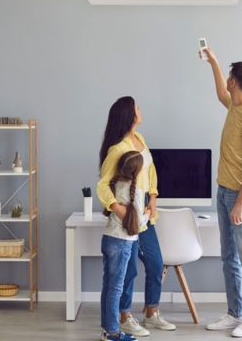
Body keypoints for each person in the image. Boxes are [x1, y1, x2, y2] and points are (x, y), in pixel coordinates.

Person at [97, 96, 176, 338]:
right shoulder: (117, 149)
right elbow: (102, 185)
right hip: (129, 217)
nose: (140, 110)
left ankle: (151, 313)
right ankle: (124, 318)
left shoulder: (139, 139)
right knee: (128, 270)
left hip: (146, 214)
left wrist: (153, 198)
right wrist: (118, 209)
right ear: (130, 116)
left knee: (155, 263)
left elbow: (151, 170)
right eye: (137, 108)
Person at [200, 47, 242, 338]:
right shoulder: (236, 106)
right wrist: (213, 61)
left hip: (241, 197)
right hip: (224, 191)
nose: (226, 80)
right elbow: (220, 95)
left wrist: (240, 203)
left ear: (235, 82)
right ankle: (235, 312)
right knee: (229, 257)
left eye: (227, 75)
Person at [100, 151, 148, 341]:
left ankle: (107, 328)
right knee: (116, 288)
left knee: (108, 285)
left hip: (108, 239)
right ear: (137, 171)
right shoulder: (135, 192)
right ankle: (112, 333)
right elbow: (138, 221)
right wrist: (148, 213)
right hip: (122, 242)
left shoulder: (114, 186)